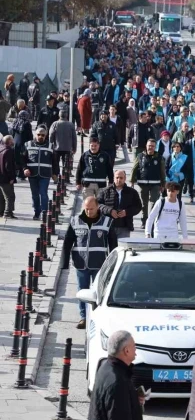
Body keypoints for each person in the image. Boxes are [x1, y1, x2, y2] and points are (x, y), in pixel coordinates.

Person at [61, 197, 117, 329]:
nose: (88, 211)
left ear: (98, 207)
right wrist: (64, 263)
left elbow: (113, 244)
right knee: (82, 291)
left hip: (99, 263)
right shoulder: (75, 220)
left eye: (91, 208)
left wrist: (113, 264)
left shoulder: (107, 222)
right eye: (86, 208)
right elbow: (68, 242)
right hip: (81, 263)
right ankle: (83, 317)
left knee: (99, 291)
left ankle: (97, 317)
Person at [87, 330, 144, 420]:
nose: (136, 349)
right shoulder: (117, 381)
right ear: (126, 350)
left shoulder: (106, 368)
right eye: (134, 346)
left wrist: (133, 400)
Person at [22, 126, 58, 220]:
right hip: (32, 174)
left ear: (46, 136)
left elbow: (55, 162)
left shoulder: (50, 146)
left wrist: (55, 173)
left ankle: (44, 212)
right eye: (39, 134)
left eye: (43, 135)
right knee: (35, 194)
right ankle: (37, 212)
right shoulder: (28, 144)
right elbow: (22, 159)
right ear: (35, 134)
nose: (40, 136)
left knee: (43, 193)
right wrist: (24, 168)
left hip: (45, 175)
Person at [130, 138, 166, 228]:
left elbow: (163, 171)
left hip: (155, 184)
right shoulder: (139, 156)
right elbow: (134, 168)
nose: (151, 148)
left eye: (153, 146)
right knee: (143, 204)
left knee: (154, 203)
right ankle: (144, 221)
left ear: (155, 147)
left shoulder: (159, 157)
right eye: (149, 146)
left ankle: (151, 221)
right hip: (143, 184)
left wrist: (163, 184)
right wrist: (132, 181)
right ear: (146, 146)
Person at [97, 170, 142, 240]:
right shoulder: (104, 191)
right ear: (114, 178)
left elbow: (138, 207)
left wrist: (126, 212)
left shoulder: (132, 192)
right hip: (107, 226)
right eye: (117, 177)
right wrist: (110, 211)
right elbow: (98, 204)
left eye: (121, 178)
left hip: (125, 226)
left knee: (122, 248)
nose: (119, 180)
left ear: (125, 179)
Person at [0, 135, 17, 219]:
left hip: (1, 177)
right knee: (10, 196)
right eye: (12, 140)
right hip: (5, 178)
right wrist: (12, 178)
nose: (13, 141)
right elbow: (8, 166)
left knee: (2, 196)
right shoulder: (9, 151)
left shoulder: (1, 149)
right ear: (9, 141)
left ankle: (1, 212)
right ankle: (7, 213)